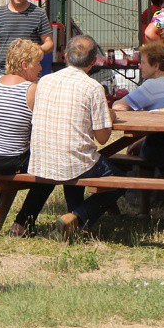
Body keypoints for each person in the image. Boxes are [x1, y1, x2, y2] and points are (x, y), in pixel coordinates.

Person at [29, 35, 122, 239]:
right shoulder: (93, 88)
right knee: (120, 181)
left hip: (41, 158)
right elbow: (103, 138)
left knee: (75, 160)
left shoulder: (44, 81)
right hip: (72, 160)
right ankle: (78, 217)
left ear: (66, 56)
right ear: (94, 61)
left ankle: (75, 224)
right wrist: (108, 116)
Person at [0, 39, 51, 237]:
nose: (40, 68)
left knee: (4, 155)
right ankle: (23, 223)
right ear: (24, 65)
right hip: (7, 161)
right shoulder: (31, 89)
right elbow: (40, 127)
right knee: (50, 170)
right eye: (37, 63)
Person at [113, 41, 164, 165]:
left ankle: (140, 181)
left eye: (143, 63)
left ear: (156, 66)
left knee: (135, 154)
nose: (140, 67)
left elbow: (118, 106)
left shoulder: (151, 85)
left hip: (158, 150)